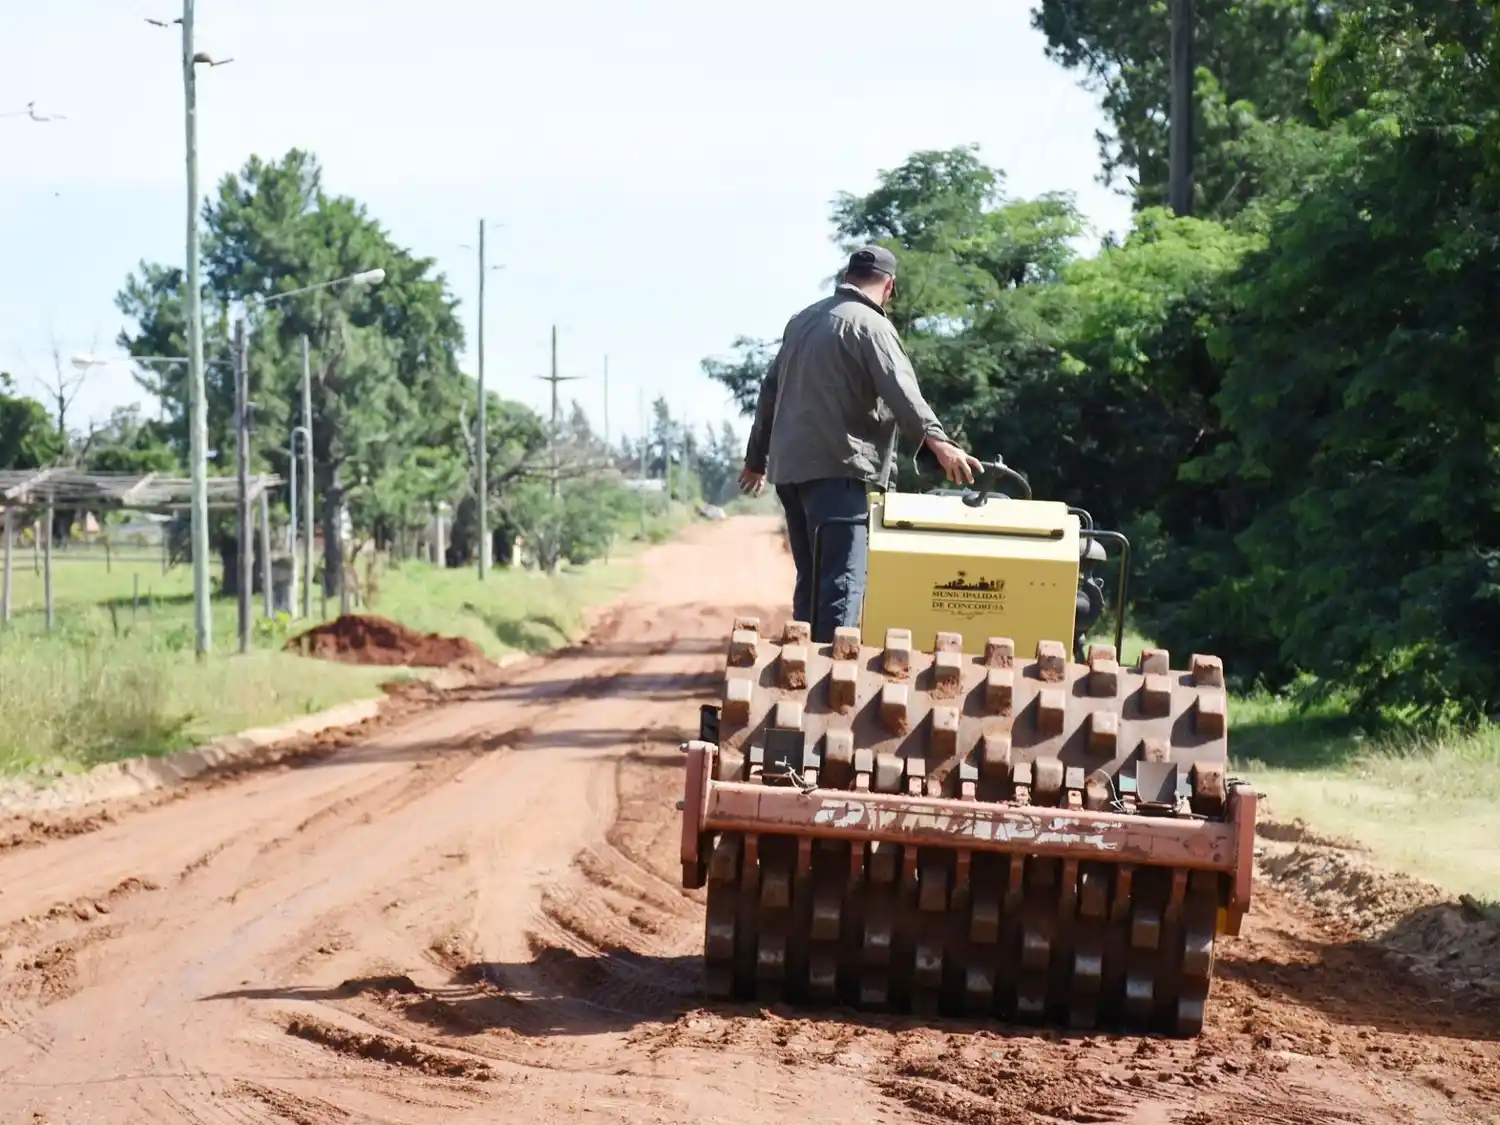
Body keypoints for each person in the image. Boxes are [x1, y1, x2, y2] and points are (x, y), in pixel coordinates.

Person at [739, 245, 982, 642]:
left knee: (813, 579)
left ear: (848, 276)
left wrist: (756, 460)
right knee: (842, 579)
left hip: (790, 471)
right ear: (889, 285)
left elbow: (769, 391)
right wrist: (938, 440)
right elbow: (901, 390)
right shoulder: (871, 325)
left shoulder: (802, 321)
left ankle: (803, 670)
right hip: (839, 467)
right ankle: (832, 682)